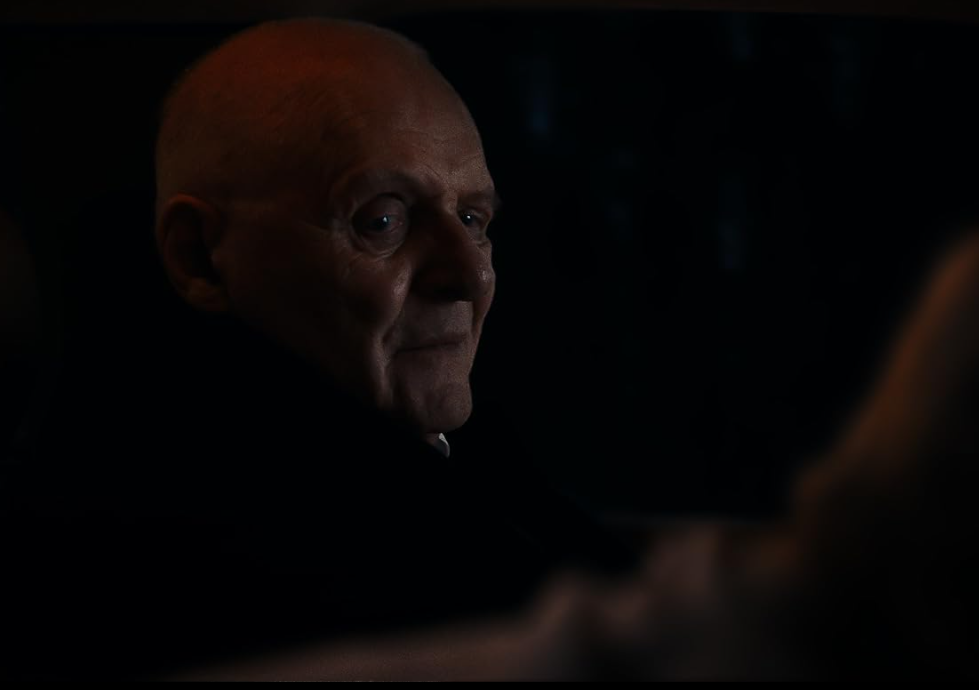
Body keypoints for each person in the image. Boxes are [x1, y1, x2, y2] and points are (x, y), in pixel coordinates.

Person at [1, 19, 634, 680]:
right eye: (382, 220)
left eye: (473, 219)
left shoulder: (459, 450)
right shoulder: (186, 553)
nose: (471, 275)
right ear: (199, 256)